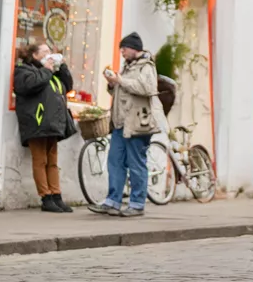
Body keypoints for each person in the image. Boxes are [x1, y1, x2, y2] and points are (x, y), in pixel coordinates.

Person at [89, 33, 159, 217]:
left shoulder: (146, 66)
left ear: (134, 48)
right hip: (120, 123)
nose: (122, 52)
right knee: (115, 162)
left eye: (124, 48)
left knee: (136, 163)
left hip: (137, 123)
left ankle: (137, 204)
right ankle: (112, 201)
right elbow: (123, 91)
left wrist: (120, 80)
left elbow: (147, 88)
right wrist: (112, 84)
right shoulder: (128, 68)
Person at [14, 42, 78, 213]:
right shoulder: (24, 70)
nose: (49, 54)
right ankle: (46, 198)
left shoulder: (52, 72)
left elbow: (68, 85)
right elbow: (30, 85)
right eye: (45, 52)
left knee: (52, 161)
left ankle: (57, 196)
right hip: (37, 121)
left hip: (53, 123)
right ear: (34, 55)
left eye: (51, 52)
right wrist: (47, 69)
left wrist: (61, 66)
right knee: (40, 160)